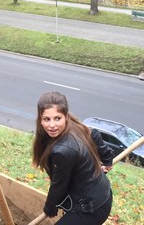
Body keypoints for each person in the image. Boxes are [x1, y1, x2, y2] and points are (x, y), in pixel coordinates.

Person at [32, 91, 113, 225]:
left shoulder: (62, 151)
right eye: (47, 119)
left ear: (66, 116)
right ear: (40, 119)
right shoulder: (74, 125)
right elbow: (94, 134)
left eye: (57, 118)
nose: (52, 125)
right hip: (100, 194)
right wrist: (107, 158)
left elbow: (59, 186)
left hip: (91, 209)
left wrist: (50, 208)